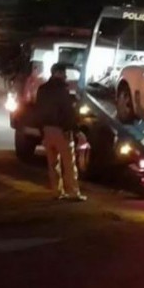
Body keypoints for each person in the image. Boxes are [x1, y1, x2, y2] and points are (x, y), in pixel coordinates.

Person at [36, 63, 87, 201]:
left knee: (52, 163)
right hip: (61, 130)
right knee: (69, 163)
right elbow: (68, 112)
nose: (65, 76)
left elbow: (38, 111)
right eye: (63, 73)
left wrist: (41, 131)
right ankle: (73, 192)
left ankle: (56, 191)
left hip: (47, 129)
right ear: (57, 73)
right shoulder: (62, 90)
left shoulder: (42, 89)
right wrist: (75, 130)